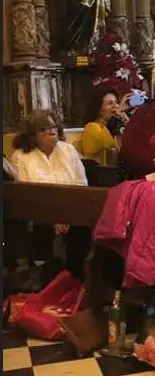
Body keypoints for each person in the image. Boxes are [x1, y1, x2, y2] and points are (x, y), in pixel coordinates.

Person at [11, 110, 90, 286]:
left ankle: (76, 282)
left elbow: (81, 184)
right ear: (32, 136)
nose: (51, 132)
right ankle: (46, 283)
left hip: (72, 211)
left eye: (53, 127)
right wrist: (54, 219)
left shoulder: (68, 150)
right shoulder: (21, 156)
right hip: (39, 214)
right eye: (44, 129)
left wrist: (67, 216)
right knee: (43, 228)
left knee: (81, 229)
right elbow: (26, 195)